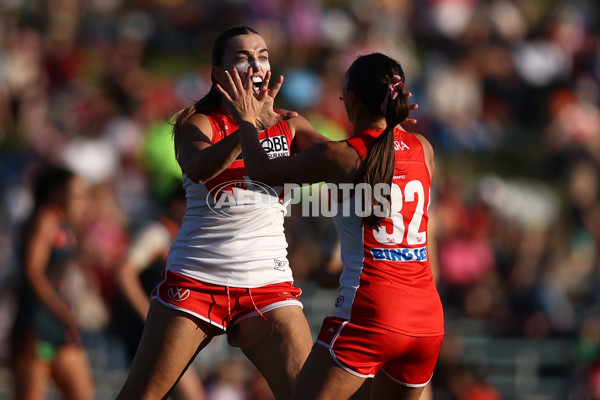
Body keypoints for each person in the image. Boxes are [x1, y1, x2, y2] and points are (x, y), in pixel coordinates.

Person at [217, 52, 445, 399]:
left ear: (351, 99)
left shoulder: (344, 156)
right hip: (427, 319)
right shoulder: (424, 149)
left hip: (372, 309)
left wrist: (247, 120)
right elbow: (377, 157)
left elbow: (262, 170)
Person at [116, 25, 327, 400]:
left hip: (267, 282)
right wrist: (247, 126)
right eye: (243, 57)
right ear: (218, 74)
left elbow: (335, 157)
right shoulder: (196, 123)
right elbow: (199, 167)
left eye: (262, 56)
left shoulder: (290, 123)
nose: (256, 64)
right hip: (197, 278)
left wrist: (381, 130)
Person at [10, 164, 94, 400]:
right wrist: (61, 310)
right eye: (78, 194)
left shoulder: (64, 225)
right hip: (36, 324)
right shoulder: (45, 218)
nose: (83, 201)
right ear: (57, 192)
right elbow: (32, 272)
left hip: (60, 326)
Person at [114, 185, 206, 400]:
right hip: (149, 330)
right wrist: (147, 314)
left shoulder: (183, 237)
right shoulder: (157, 233)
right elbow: (124, 273)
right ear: (177, 205)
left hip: (169, 327)